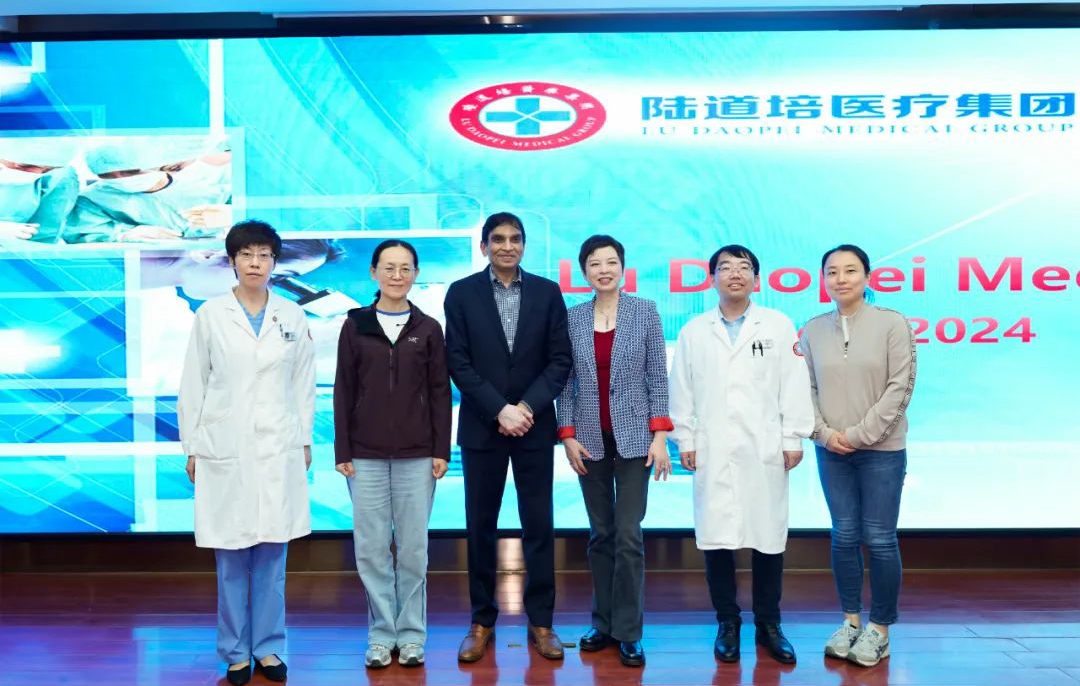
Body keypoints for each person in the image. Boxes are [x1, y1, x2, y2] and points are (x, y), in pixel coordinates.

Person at [177, 220, 315, 686]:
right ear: (233, 260)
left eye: (264, 255)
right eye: (246, 254)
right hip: (224, 445)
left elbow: (303, 383)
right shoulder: (211, 315)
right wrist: (193, 446)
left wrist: (304, 440)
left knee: (273, 557)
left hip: (278, 446)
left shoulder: (291, 315)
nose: (255, 263)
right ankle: (236, 652)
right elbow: (193, 383)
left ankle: (269, 648)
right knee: (231, 558)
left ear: (274, 262)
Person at [669, 244, 813, 665]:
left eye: (744, 267)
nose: (735, 273)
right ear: (712, 278)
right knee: (717, 538)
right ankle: (727, 622)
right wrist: (685, 439)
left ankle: (769, 624)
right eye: (726, 267)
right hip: (712, 448)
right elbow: (681, 390)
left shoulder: (778, 325)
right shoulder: (694, 331)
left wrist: (792, 437)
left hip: (764, 447)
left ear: (757, 279)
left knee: (768, 538)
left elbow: (794, 383)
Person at [443, 211, 572, 662]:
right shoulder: (461, 293)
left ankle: (542, 622)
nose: (507, 246)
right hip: (483, 426)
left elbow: (560, 360)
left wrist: (525, 408)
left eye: (515, 239)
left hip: (533, 426)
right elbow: (458, 361)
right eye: (497, 239)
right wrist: (499, 409)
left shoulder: (547, 292)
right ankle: (481, 621)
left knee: (539, 525)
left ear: (524, 245)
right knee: (480, 527)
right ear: (484, 246)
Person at [332, 239, 452, 669]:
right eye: (389, 267)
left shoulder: (428, 328)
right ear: (373, 272)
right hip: (363, 456)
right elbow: (344, 389)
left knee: (414, 550)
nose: (397, 276)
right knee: (371, 549)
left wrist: (441, 449)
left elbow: (440, 393)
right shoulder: (355, 324)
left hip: (418, 456)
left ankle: (412, 635)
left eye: (405, 268)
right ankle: (382, 635)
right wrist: (342, 449)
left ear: (416, 274)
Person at [555, 235, 673, 667]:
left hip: (635, 439)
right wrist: (567, 434)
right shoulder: (572, 317)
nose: (603, 270)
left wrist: (660, 434)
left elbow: (657, 375)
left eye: (611, 262)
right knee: (600, 534)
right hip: (589, 440)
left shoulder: (645, 311)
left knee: (628, 534)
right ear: (584, 271)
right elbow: (566, 382)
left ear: (623, 267)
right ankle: (602, 623)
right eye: (594, 263)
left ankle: (628, 631)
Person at [798, 244, 916, 668]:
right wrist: (824, 434)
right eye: (832, 272)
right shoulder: (813, 330)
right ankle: (850, 622)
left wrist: (859, 435)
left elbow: (900, 386)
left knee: (880, 538)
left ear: (867, 277)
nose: (841, 279)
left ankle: (880, 629)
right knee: (843, 535)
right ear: (824, 280)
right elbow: (804, 389)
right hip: (831, 450)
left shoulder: (892, 323)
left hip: (882, 450)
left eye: (850, 270)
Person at [65, 135, 232, 243]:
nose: (120, 179)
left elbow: (247, 211)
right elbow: (80, 232)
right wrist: (122, 235)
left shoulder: (213, 177)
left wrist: (236, 215)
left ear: (156, 163)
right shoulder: (92, 199)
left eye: (130, 171)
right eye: (106, 175)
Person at [0, 137, 81, 243]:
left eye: (48, 169)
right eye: (26, 165)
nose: (37, 172)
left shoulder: (59, 176)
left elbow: (44, 234)